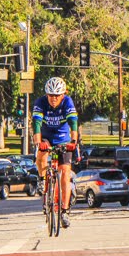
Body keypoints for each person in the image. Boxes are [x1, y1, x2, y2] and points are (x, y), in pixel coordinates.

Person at [32, 77, 79, 229]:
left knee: (65, 172)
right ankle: (41, 178)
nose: (53, 99)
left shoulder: (68, 102)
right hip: (46, 136)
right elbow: (37, 123)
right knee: (42, 155)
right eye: (50, 95)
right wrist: (38, 142)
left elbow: (73, 122)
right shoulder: (40, 102)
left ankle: (64, 211)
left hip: (63, 137)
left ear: (63, 95)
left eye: (57, 95)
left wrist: (73, 141)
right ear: (46, 95)